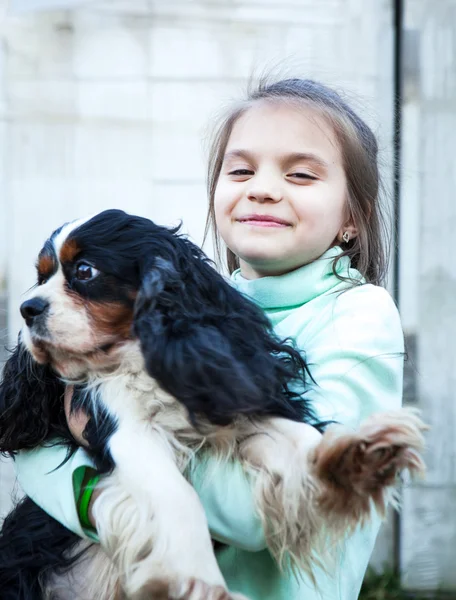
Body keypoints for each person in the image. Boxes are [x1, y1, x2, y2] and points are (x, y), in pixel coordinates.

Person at [13, 77, 405, 600]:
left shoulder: (360, 313)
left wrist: (97, 441)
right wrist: (96, 499)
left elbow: (249, 519)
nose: (262, 188)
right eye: (240, 170)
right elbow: (26, 446)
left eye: (301, 174)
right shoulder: (198, 306)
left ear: (353, 217)